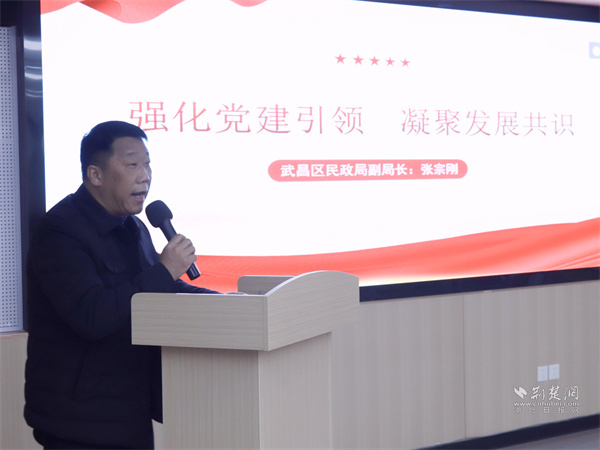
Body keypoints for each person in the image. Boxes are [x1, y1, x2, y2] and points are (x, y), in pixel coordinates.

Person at [24, 121, 219, 449]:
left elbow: (159, 290)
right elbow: (93, 315)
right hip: (78, 422)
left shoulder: (134, 227)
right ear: (95, 175)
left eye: (147, 164)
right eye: (132, 165)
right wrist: (164, 270)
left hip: (130, 410)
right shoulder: (59, 232)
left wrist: (227, 302)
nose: (144, 176)